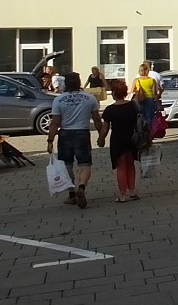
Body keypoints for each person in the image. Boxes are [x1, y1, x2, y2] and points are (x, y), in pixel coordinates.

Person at [46, 72, 103, 209]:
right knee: (85, 164)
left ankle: (72, 194)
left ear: (66, 83)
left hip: (65, 134)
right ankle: (81, 187)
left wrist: (50, 140)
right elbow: (96, 119)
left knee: (67, 165)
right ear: (79, 82)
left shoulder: (59, 100)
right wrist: (101, 135)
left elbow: (55, 123)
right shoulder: (90, 98)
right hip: (82, 133)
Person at [97, 79, 141, 202]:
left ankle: (122, 195)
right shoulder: (133, 105)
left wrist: (101, 139)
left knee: (121, 166)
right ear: (125, 92)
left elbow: (105, 129)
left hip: (117, 139)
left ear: (114, 94)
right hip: (132, 138)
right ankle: (132, 191)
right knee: (131, 165)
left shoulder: (109, 110)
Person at [131, 63, 161, 127]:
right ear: (148, 71)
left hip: (139, 100)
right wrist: (158, 104)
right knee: (149, 117)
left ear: (140, 71)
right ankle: (149, 133)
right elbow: (154, 93)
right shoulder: (152, 80)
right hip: (150, 100)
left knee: (140, 116)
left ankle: (141, 131)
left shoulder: (136, 80)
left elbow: (131, 91)